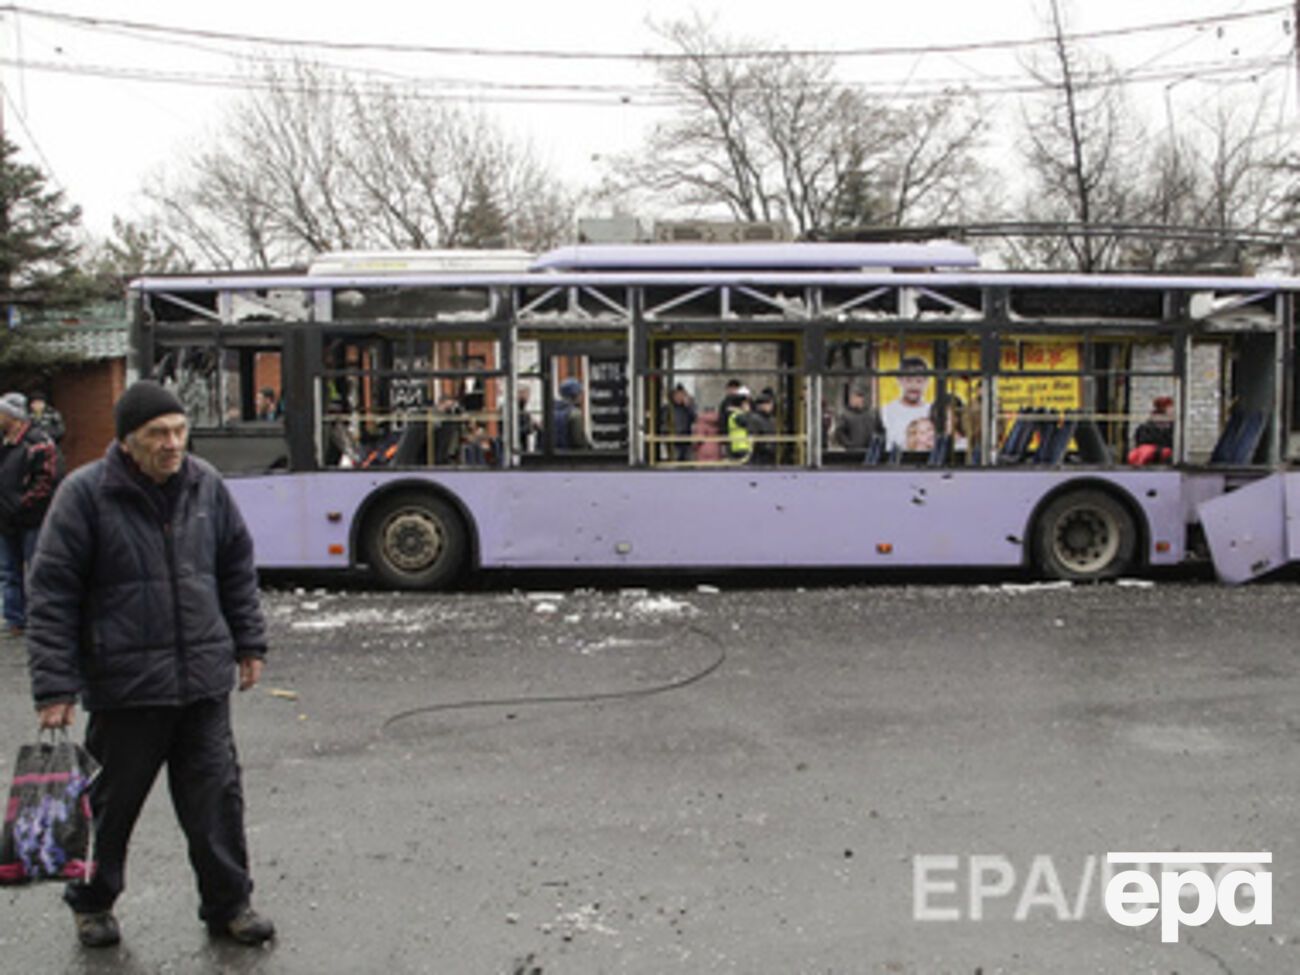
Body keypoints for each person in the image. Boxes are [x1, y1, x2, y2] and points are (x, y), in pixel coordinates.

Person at [25, 380, 275, 950]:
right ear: (127, 442)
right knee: (110, 810)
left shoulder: (205, 485)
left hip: (203, 685)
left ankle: (229, 904)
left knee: (217, 802)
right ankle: (91, 904)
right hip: (126, 688)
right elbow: (52, 594)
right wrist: (55, 687)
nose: (172, 443)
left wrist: (249, 644)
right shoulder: (84, 495)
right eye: (157, 434)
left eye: (179, 430)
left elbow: (236, 567)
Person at [0, 392, 60, 636]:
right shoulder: (3, 443)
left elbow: (47, 480)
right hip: (4, 519)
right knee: (8, 571)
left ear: (13, 416)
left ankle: (40, 617)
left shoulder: (38, 442)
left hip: (31, 518)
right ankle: (15, 618)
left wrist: (23, 503)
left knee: (36, 568)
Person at [881, 357, 932, 451]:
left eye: (919, 381)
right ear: (899, 380)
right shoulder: (886, 411)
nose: (914, 386)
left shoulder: (932, 411)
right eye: (908, 380)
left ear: (927, 382)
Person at [1128, 395, 1175, 465]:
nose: (1173, 410)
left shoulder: (1173, 426)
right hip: (1153, 455)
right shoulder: (1147, 427)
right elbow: (1142, 442)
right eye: (1170, 408)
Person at [833, 385, 882, 451]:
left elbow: (881, 430)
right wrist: (849, 445)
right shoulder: (845, 415)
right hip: (852, 454)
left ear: (862, 399)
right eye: (852, 398)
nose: (854, 400)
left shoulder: (872, 414)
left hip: (869, 453)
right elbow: (839, 432)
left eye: (856, 397)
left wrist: (876, 444)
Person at [661, 384, 697, 462]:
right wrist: (666, 437)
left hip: (686, 439)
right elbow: (664, 423)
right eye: (678, 395)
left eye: (682, 395)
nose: (680, 397)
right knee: (675, 461)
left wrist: (688, 406)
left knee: (688, 462)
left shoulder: (687, 408)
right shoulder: (668, 408)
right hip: (674, 440)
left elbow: (695, 418)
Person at [553, 378, 589, 450]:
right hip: (568, 457)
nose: (582, 397)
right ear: (575, 394)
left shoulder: (550, 411)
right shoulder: (575, 414)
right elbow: (578, 442)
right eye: (580, 393)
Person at [748, 391, 778, 465]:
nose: (771, 406)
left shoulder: (771, 419)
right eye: (769, 404)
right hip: (760, 455)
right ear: (761, 405)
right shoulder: (755, 419)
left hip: (770, 453)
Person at [726, 392, 754, 462]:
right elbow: (749, 423)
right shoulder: (737, 416)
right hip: (741, 447)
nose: (748, 406)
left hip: (739, 446)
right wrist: (747, 413)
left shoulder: (735, 415)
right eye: (746, 404)